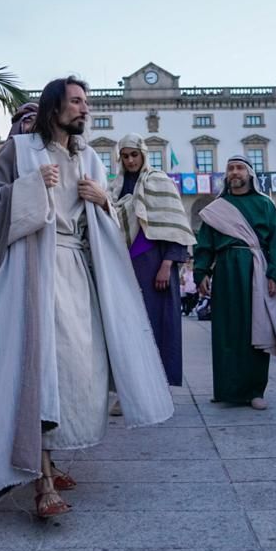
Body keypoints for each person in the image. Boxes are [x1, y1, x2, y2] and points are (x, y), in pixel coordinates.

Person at [0, 76, 172, 515]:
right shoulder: (21, 152)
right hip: (32, 275)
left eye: (87, 102)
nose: (85, 109)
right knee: (38, 370)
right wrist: (28, 187)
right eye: (77, 101)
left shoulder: (92, 162)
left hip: (78, 277)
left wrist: (104, 201)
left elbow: (116, 227)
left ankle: (49, 458)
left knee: (75, 372)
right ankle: (42, 482)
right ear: (53, 106)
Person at [193, 155, 276, 410]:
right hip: (226, 269)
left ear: (249, 174)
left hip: (255, 268)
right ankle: (226, 389)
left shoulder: (264, 204)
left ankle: (254, 391)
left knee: (256, 328)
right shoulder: (217, 207)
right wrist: (201, 271)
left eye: (239, 168)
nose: (235, 172)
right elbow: (205, 243)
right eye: (230, 169)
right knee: (227, 331)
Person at [109, 133, 196, 387]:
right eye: (125, 156)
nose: (130, 160)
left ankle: (157, 386)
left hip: (156, 265)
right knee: (129, 328)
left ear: (143, 155)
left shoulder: (160, 181)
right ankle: (132, 388)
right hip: (127, 265)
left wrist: (167, 265)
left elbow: (176, 228)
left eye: (134, 155)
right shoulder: (116, 186)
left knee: (159, 325)